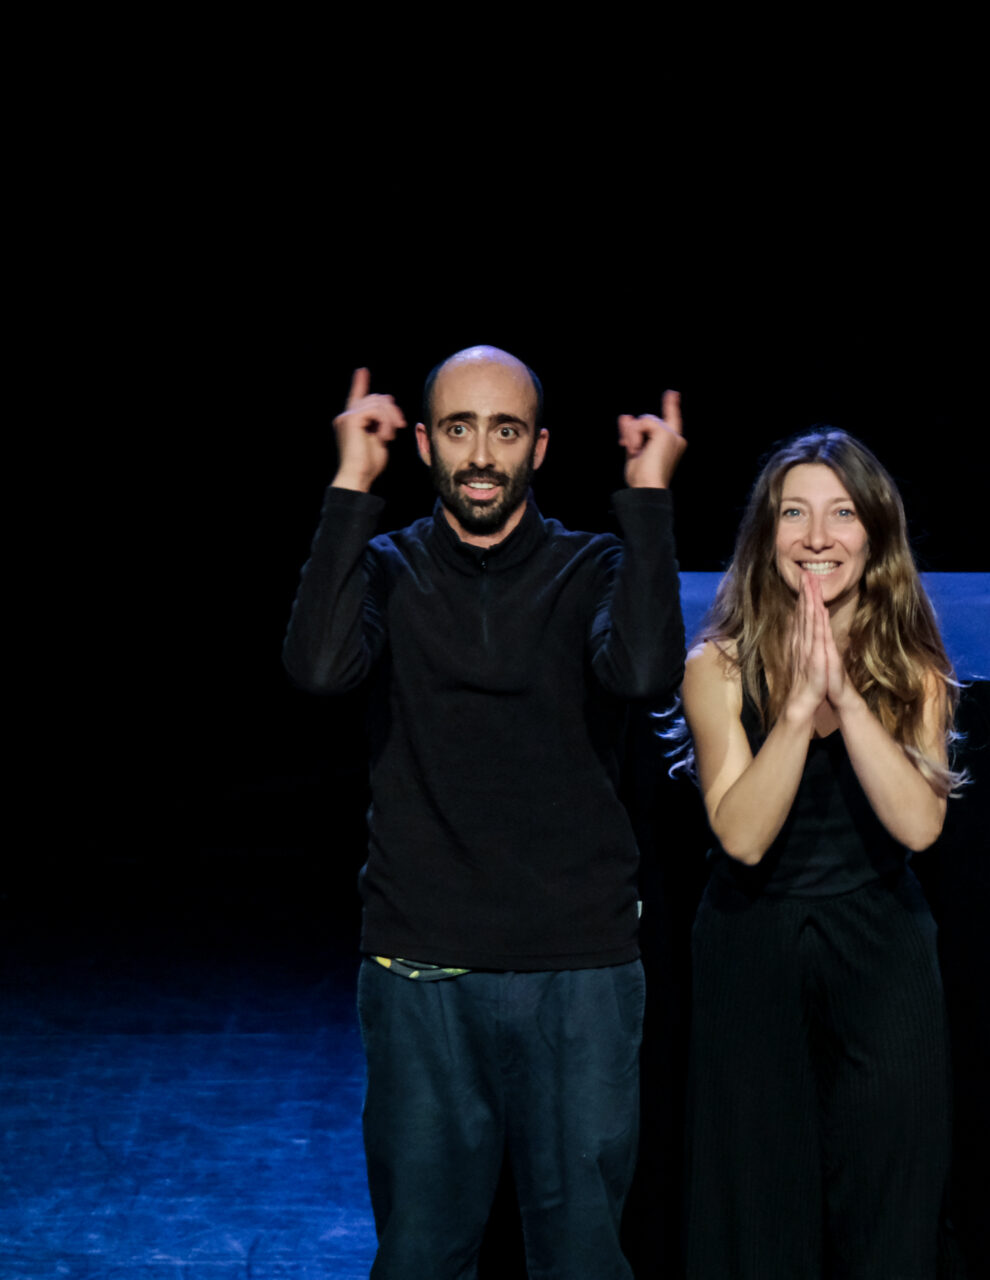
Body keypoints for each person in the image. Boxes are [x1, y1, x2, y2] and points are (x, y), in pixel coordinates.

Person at [282, 347, 687, 1280]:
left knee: (582, 1258)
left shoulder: (594, 565)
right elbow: (319, 668)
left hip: (577, 970)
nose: (480, 455)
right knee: (422, 1255)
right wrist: (351, 484)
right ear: (425, 444)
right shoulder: (387, 568)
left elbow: (643, 673)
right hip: (422, 963)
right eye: (458, 429)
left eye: (505, 431)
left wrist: (649, 501)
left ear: (537, 448)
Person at [678, 429, 959, 1278]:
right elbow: (742, 835)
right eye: (793, 514)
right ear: (767, 536)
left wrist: (848, 696)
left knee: (891, 1204)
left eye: (840, 514)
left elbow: (919, 826)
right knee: (758, 1211)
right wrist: (799, 710)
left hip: (881, 943)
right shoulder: (716, 667)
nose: (816, 536)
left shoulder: (914, 668)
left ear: (873, 534)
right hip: (751, 940)